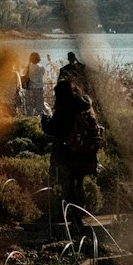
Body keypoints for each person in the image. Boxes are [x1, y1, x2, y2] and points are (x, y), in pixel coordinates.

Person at [41, 77, 103, 213]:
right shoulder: (85, 103)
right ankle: (81, 214)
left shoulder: (65, 106)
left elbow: (51, 128)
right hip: (86, 153)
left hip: (68, 153)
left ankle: (74, 219)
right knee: (78, 183)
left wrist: (45, 119)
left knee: (68, 185)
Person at [21, 51, 47, 116]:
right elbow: (42, 74)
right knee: (40, 107)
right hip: (39, 89)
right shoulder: (42, 68)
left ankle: (30, 121)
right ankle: (41, 121)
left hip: (30, 88)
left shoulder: (28, 67)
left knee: (29, 107)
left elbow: (23, 74)